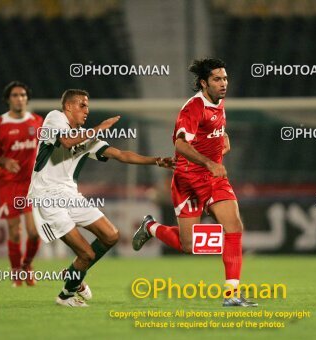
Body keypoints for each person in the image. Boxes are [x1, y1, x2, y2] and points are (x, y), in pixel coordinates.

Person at [28, 89, 174, 307]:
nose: (86, 110)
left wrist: (157, 160)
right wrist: (98, 129)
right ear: (68, 107)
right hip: (47, 197)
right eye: (82, 105)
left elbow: (121, 155)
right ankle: (65, 296)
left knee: (111, 235)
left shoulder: (86, 136)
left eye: (87, 106)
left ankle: (72, 274)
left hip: (70, 195)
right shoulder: (54, 119)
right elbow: (67, 142)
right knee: (85, 254)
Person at [132, 58, 257, 307]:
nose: (223, 84)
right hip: (187, 179)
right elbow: (180, 143)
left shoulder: (219, 102)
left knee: (234, 227)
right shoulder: (193, 107)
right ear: (203, 82)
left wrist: (223, 139)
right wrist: (209, 162)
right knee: (189, 246)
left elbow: (212, 130)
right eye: (217, 79)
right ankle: (150, 228)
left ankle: (232, 295)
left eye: (225, 78)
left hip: (213, 179)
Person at [0, 81, 43, 287]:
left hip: (31, 185)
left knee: (33, 232)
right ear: (8, 99)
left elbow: (48, 149)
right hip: (9, 183)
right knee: (15, 232)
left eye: (23, 95)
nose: (19, 98)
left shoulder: (37, 122)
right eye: (15, 95)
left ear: (27, 98)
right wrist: (4, 161)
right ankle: (16, 272)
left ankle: (27, 265)